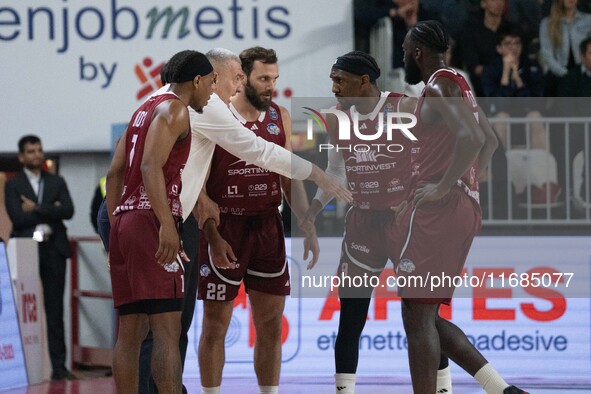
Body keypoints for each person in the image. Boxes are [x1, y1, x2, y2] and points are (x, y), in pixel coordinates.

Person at [302, 50, 453, 394]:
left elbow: (443, 148)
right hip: (363, 223)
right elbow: (336, 170)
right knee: (350, 318)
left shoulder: (403, 107)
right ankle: (344, 390)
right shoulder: (338, 117)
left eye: (339, 79)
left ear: (363, 81)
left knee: (423, 317)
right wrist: (312, 211)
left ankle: (443, 389)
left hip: (406, 223)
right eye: (332, 80)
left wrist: (426, 194)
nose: (334, 86)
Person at [400, 20, 527, 393]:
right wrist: (467, 185)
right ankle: (501, 389)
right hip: (463, 206)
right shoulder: (459, 82)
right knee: (424, 313)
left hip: (442, 208)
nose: (403, 57)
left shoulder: (439, 85)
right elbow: (489, 141)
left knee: (417, 314)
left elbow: (473, 139)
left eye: (406, 51)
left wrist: (443, 187)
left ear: (417, 53)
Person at [195, 47, 319, 394]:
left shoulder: (281, 116)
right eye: (264, 78)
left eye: (275, 79)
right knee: (215, 324)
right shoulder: (213, 113)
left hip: (267, 225)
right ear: (242, 78)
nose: (271, 86)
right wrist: (210, 232)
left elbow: (289, 173)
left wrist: (307, 224)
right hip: (225, 227)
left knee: (268, 324)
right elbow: (198, 185)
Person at [105, 49, 215, 394]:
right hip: (151, 222)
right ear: (196, 81)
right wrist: (167, 225)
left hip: (124, 222)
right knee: (167, 328)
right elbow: (151, 167)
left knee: (130, 332)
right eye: (211, 83)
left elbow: (115, 173)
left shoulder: (142, 109)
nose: (212, 92)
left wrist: (115, 226)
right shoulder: (175, 109)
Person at [4, 135, 76, 380]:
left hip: (54, 249)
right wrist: (50, 210)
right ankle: (23, 367)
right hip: (25, 250)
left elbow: (67, 210)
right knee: (24, 308)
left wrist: (34, 208)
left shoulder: (56, 180)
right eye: (31, 151)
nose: (36, 154)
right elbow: (18, 217)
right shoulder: (13, 185)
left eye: (39, 150)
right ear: (22, 156)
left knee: (55, 310)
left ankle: (59, 367)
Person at [461, 0, 515, 97]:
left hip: (511, 77)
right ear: (483, 3)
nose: (499, 3)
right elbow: (474, 67)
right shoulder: (470, 30)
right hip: (482, 82)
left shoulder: (511, 29)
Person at [539, 0, 591, 96]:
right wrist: (566, 75)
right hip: (558, 75)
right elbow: (547, 54)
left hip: (584, 73)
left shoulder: (588, 20)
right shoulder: (547, 23)